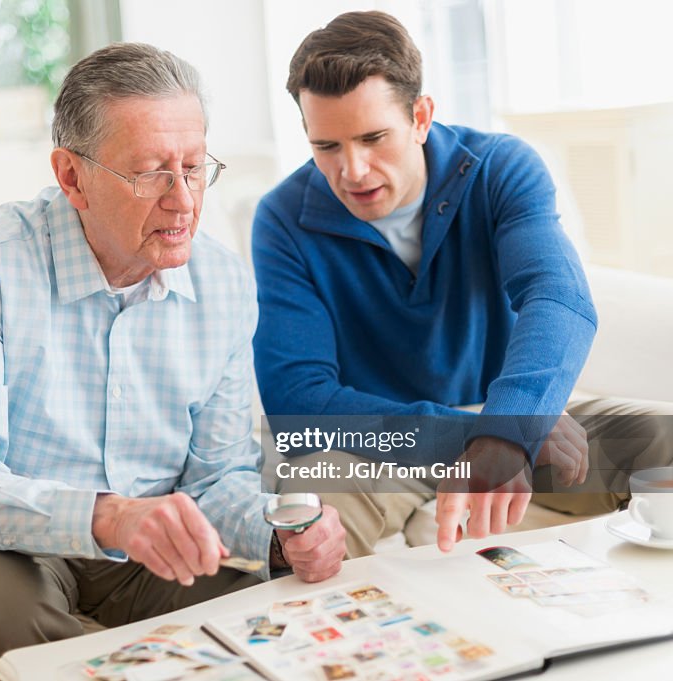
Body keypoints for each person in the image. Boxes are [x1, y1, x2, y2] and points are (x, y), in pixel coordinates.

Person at [0, 42, 348, 681]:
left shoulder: (222, 282)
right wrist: (111, 516)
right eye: (152, 172)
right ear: (72, 177)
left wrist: (280, 531)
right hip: (3, 529)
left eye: (193, 168)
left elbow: (215, 478)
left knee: (280, 620)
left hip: (149, 536)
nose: (183, 200)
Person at [253, 11, 672, 558]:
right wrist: (481, 436)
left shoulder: (501, 168)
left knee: (661, 434)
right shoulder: (282, 218)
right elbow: (298, 404)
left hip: (512, 420)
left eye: (373, 137)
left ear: (421, 117)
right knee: (313, 514)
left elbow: (558, 297)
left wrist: (512, 421)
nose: (352, 170)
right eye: (326, 146)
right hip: (381, 447)